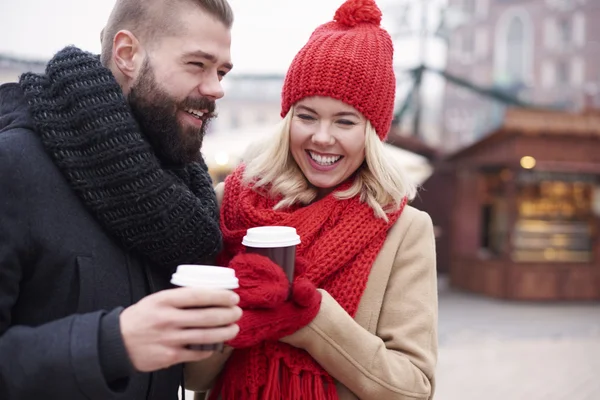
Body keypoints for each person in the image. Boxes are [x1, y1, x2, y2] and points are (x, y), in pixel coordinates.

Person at [184, 0, 439, 399]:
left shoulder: (404, 231)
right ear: (287, 119)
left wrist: (313, 320)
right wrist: (244, 309)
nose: (322, 137)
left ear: (371, 132)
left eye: (345, 121)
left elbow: (412, 389)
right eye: (307, 116)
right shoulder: (228, 205)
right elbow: (191, 378)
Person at [0, 0, 242, 399]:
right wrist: (111, 343)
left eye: (221, 71)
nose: (216, 87)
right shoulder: (14, 166)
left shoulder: (182, 190)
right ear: (127, 54)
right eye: (197, 65)